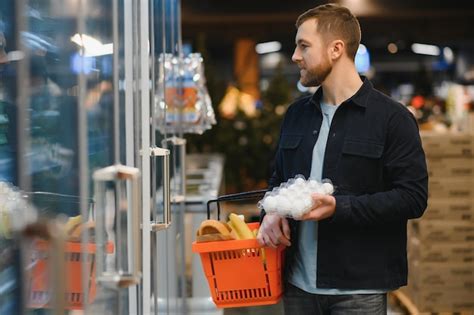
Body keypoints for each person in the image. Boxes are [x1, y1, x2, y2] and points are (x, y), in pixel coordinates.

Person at [256, 4, 428, 314]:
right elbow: (278, 182)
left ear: (336, 49)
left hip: (358, 290)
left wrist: (340, 207)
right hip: (297, 286)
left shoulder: (392, 119)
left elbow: (413, 198)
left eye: (303, 46)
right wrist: (272, 211)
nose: (295, 56)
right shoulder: (296, 115)